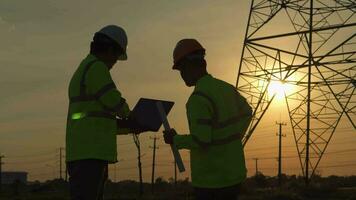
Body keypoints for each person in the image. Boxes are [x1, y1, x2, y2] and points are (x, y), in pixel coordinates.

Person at [163, 39, 252, 200]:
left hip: (211, 180)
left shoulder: (198, 99)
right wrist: (233, 136)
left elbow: (201, 141)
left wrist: (175, 140)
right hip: (234, 175)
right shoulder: (226, 88)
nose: (182, 75)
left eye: (181, 70)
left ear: (190, 66)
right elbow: (247, 112)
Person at [66, 25, 143, 200]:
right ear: (109, 50)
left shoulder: (84, 68)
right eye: (116, 56)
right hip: (90, 153)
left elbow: (100, 120)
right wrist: (131, 116)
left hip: (84, 151)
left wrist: (130, 127)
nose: (114, 62)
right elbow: (113, 100)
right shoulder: (96, 68)